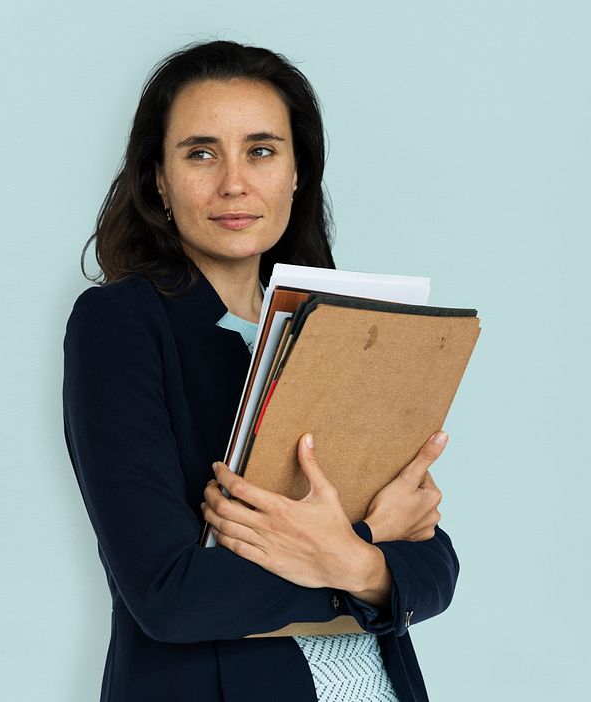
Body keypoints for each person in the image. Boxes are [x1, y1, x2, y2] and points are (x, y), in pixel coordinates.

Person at [61, 41, 457, 702]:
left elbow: (433, 562)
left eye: (262, 150)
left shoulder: (340, 324)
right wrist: (366, 550)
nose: (234, 183)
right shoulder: (121, 324)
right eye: (200, 152)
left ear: (298, 172)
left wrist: (353, 554)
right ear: (158, 177)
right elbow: (171, 597)